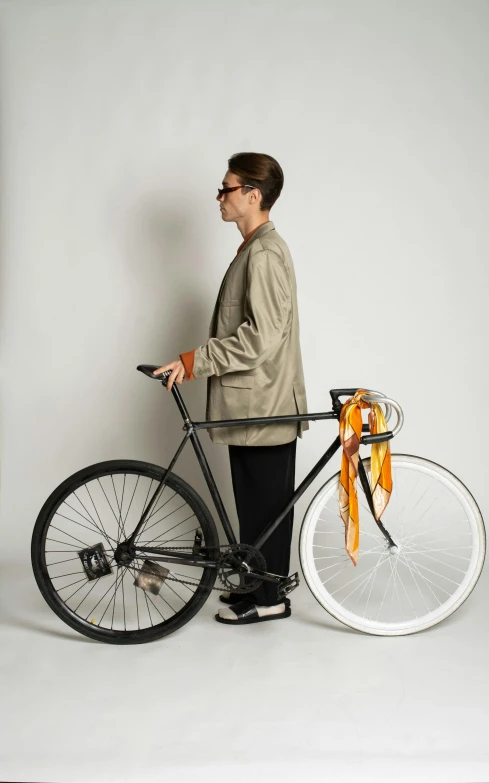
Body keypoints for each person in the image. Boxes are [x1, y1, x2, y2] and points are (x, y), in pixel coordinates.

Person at [153, 152, 309, 626]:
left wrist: (191, 362)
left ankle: (269, 600)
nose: (218, 197)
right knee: (256, 508)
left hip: (264, 405)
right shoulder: (254, 249)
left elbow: (259, 339)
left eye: (226, 189)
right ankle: (257, 586)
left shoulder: (263, 253)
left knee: (266, 509)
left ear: (252, 195)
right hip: (251, 405)